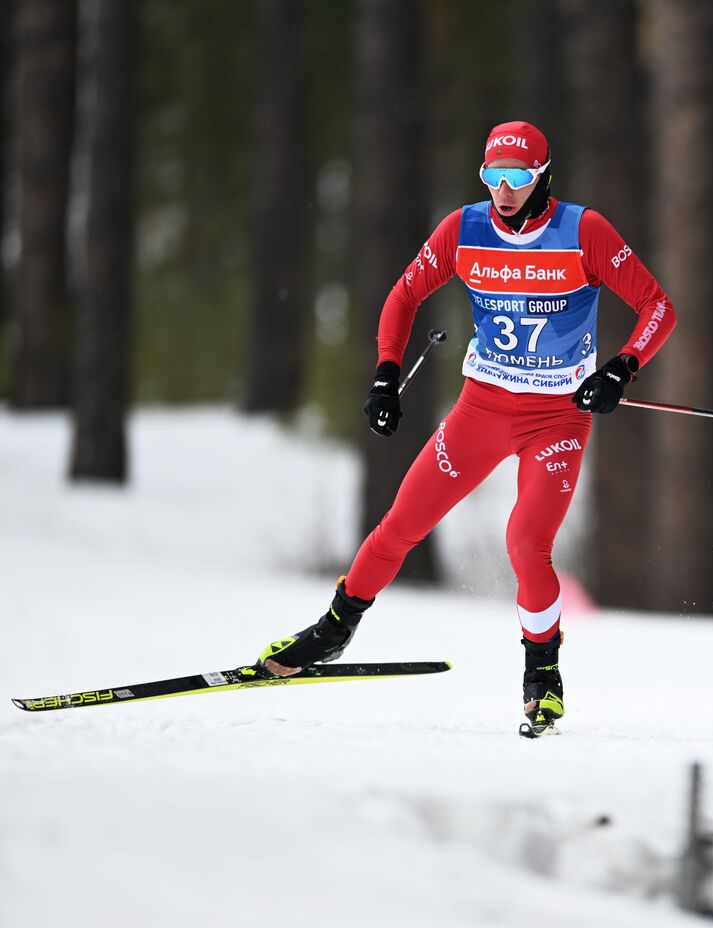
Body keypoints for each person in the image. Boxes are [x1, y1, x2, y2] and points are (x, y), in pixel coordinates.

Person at [255, 121, 676, 736]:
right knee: (401, 524)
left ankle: (543, 676)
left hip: (556, 419)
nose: (504, 191)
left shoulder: (583, 231)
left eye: (518, 178)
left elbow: (657, 305)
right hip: (481, 409)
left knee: (524, 542)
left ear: (543, 177)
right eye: (493, 176)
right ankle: (332, 631)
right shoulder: (465, 228)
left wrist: (622, 367)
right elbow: (403, 296)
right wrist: (384, 376)